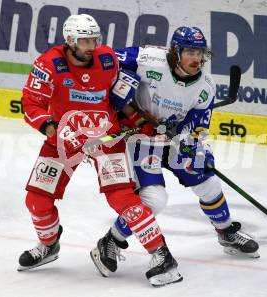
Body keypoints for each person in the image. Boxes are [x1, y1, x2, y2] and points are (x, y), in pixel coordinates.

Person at [17, 14, 182, 287]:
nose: (91, 45)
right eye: (84, 40)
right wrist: (52, 130)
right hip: (63, 140)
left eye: (94, 39)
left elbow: (119, 100)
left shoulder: (107, 61)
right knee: (37, 201)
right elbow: (31, 104)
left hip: (106, 138)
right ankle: (48, 245)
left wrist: (138, 121)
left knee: (124, 199)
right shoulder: (48, 64)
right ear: (70, 41)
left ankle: (161, 255)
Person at [90, 26, 260, 281]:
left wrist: (192, 142)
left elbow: (199, 124)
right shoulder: (148, 59)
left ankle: (225, 232)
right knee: (153, 199)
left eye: (200, 53)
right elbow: (106, 60)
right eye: (190, 51)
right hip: (141, 138)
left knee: (208, 182)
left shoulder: (205, 87)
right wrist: (124, 102)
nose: (196, 58)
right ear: (175, 52)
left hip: (173, 139)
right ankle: (110, 241)